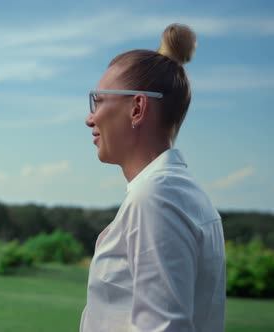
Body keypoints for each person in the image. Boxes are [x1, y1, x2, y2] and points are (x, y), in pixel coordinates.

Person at [81, 24, 226, 332]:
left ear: (137, 108)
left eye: (99, 101)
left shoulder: (155, 198)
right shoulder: (180, 193)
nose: (90, 118)